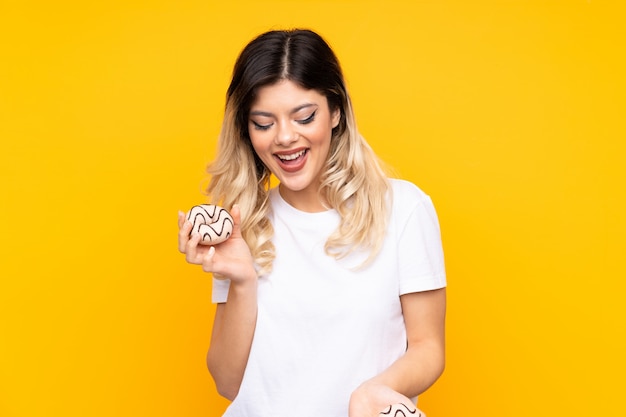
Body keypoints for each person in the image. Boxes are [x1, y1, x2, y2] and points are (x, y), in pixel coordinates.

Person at [178, 29, 446, 417]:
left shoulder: (403, 208)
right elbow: (228, 383)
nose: (285, 137)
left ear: (335, 111)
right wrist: (242, 280)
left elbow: (428, 347)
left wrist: (373, 393)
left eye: (304, 117)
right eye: (263, 123)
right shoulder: (243, 226)